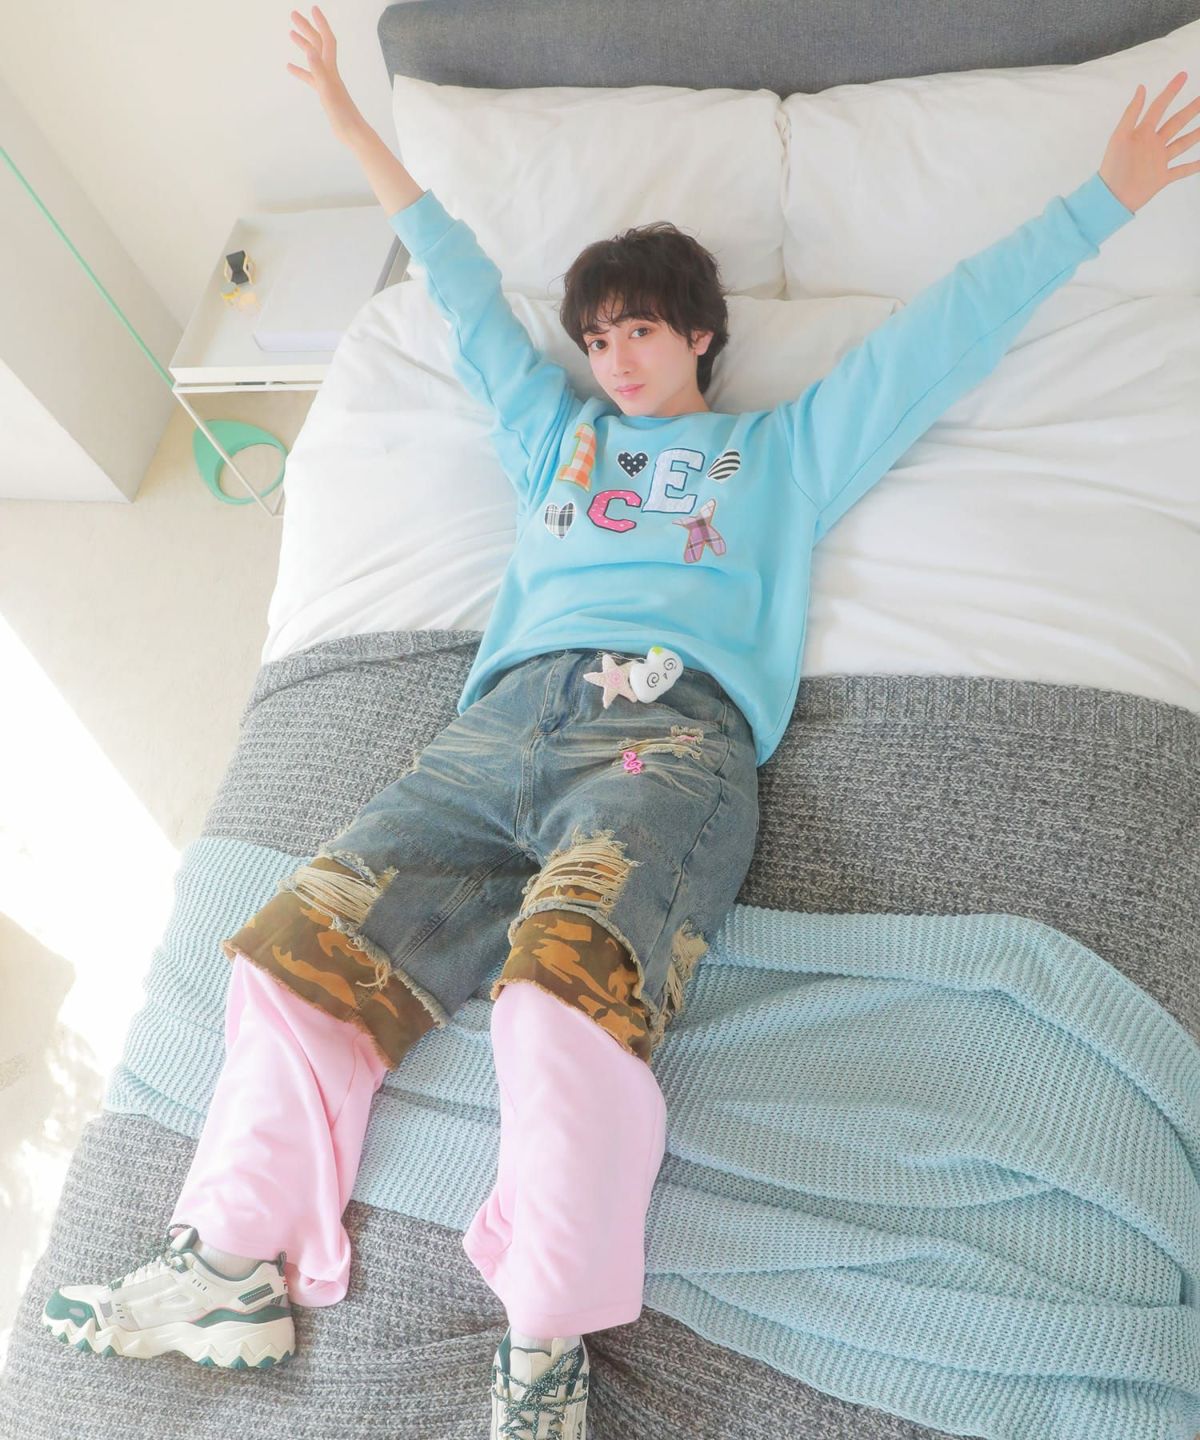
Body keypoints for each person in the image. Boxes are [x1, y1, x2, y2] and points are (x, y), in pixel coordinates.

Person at [41, 8, 1199, 1437]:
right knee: (299, 952)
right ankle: (225, 1262)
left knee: (559, 1002)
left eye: (638, 329)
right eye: (596, 336)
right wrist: (349, 125)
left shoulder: (779, 453)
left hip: (668, 737)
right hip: (497, 732)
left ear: (700, 333)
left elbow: (937, 340)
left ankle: (543, 1347)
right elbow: (459, 285)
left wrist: (1104, 201)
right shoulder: (558, 443)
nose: (614, 356)